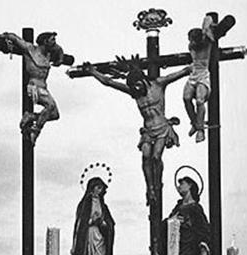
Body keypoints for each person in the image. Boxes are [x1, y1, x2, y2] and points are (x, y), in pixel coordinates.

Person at [83, 58, 191, 205]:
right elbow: (109, 82)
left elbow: (180, 73)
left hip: (162, 129)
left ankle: (157, 185)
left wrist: (195, 65)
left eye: (139, 85)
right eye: (134, 87)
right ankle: (150, 188)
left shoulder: (158, 84)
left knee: (156, 157)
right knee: (146, 156)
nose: (137, 89)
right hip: (147, 130)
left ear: (143, 80)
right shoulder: (134, 92)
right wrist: (93, 72)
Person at [0, 31, 64, 145]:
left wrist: (60, 58)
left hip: (44, 88)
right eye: (52, 40)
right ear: (45, 41)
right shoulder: (31, 49)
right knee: (50, 106)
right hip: (34, 86)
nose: (54, 43)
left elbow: (59, 49)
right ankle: (35, 132)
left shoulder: (49, 54)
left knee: (55, 115)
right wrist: (2, 36)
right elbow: (15, 39)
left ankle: (30, 116)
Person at [164, 176, 211, 255]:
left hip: (189, 247)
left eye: (182, 184)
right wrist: (173, 220)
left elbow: (203, 229)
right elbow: (167, 222)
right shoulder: (178, 207)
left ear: (190, 185)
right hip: (176, 246)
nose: (179, 186)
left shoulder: (195, 208)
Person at [183, 15, 215, 143]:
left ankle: (201, 129)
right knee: (186, 98)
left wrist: (205, 29)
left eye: (193, 40)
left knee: (200, 101)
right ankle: (195, 123)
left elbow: (208, 18)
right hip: (193, 75)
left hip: (203, 75)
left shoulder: (207, 41)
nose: (191, 42)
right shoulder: (191, 45)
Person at [71, 177, 115, 255]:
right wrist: (91, 221)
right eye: (98, 187)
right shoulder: (85, 203)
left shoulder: (103, 205)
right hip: (89, 233)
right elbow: (82, 221)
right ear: (92, 187)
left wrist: (104, 224)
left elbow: (109, 221)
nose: (99, 190)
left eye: (101, 188)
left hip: (100, 233)